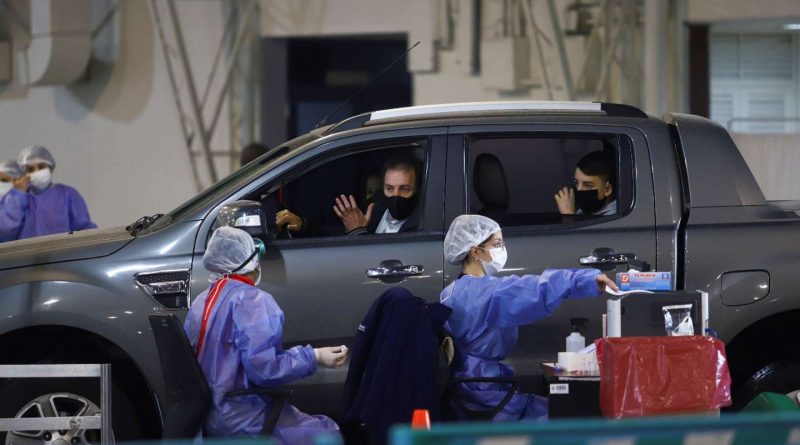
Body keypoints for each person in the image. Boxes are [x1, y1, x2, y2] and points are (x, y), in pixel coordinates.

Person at [440, 214, 618, 421]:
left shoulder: (451, 292)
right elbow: (535, 289)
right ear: (475, 251)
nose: (501, 250)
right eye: (496, 244)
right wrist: (582, 281)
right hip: (485, 394)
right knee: (566, 419)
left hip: (466, 390)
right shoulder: (488, 293)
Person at [184, 226, 348, 444]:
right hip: (242, 418)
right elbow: (266, 370)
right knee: (328, 435)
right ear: (249, 262)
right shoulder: (251, 301)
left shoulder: (202, 301)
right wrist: (315, 356)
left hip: (207, 418)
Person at [276, 156, 422, 236]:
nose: (395, 195)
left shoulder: (422, 222)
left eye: (404, 189)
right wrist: (303, 225)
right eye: (389, 188)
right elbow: (337, 233)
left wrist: (358, 231)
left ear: (416, 189)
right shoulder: (376, 210)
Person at [0, 145, 96, 242]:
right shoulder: (17, 198)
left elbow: (84, 229)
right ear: (24, 174)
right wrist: (18, 195)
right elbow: (5, 231)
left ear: (50, 168)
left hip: (62, 251)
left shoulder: (67, 195)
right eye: (31, 169)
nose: (37, 171)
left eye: (41, 167)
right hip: (25, 251)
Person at [554, 151, 616, 216]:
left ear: (607, 189)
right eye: (576, 183)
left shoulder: (614, 216)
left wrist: (568, 214)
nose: (579, 189)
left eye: (587, 185)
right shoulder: (583, 211)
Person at [0, 160, 25, 242]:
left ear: (18, 181)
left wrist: (18, 195)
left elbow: (7, 230)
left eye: (4, 180)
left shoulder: (22, 201)